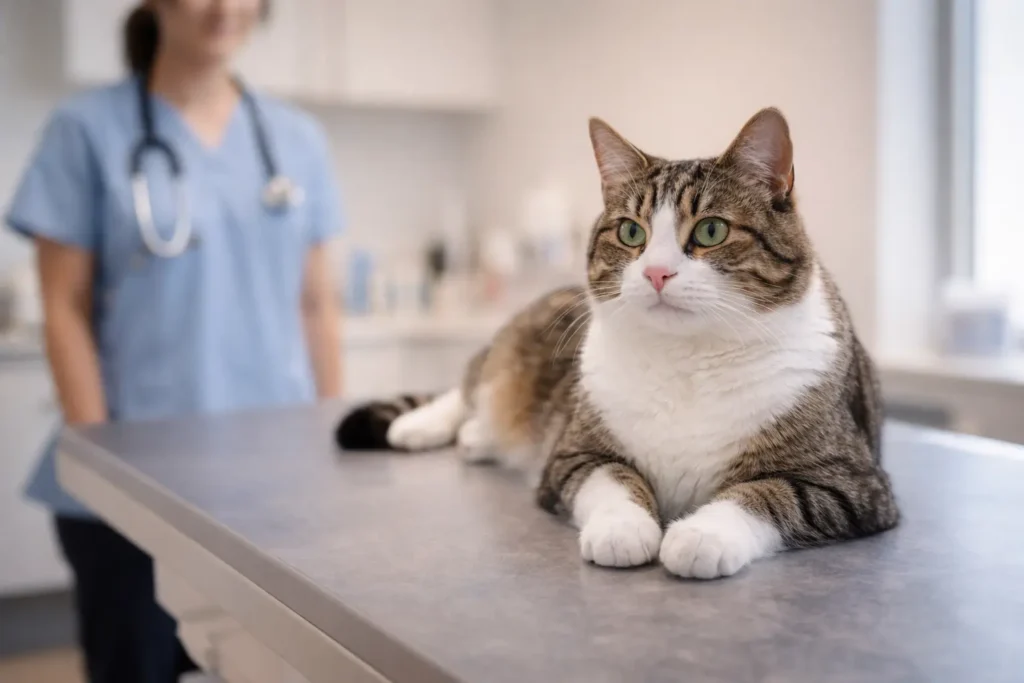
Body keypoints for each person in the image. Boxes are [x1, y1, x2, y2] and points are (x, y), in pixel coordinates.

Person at [4, 1, 344, 681]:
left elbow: (315, 304)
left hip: (275, 488)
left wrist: (334, 449)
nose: (224, 8)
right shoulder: (86, 130)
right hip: (138, 491)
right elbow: (63, 306)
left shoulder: (297, 138)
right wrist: (106, 467)